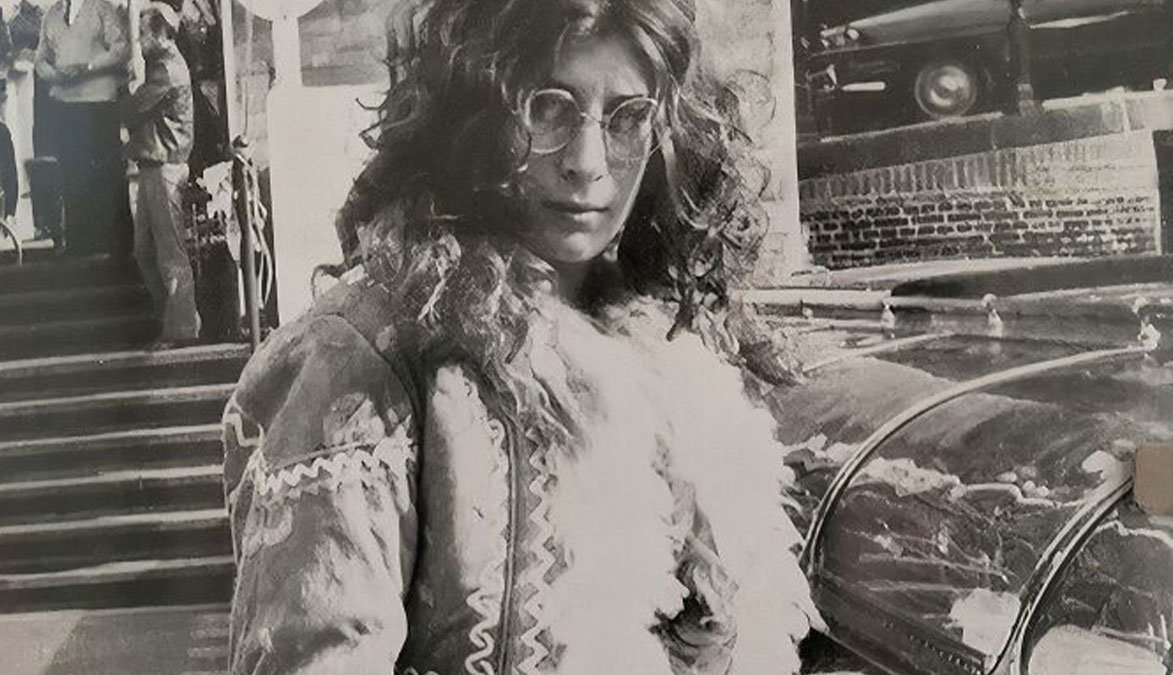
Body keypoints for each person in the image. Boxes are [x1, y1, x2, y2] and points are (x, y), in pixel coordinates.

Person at [222, 0, 822, 673]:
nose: (587, 161)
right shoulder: (360, 362)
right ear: (475, 118)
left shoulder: (674, 347)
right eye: (548, 108)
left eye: (627, 118)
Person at [124, 1, 198, 349]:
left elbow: (133, 108)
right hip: (155, 164)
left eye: (142, 35)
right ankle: (169, 319)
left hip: (164, 166)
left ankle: (180, 329)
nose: (139, 41)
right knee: (144, 250)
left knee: (169, 252)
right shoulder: (164, 64)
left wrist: (126, 86)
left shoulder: (166, 69)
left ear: (162, 35)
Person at [34, 0, 130, 256]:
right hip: (66, 105)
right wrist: (52, 74)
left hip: (99, 102)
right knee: (71, 173)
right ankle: (79, 244)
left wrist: (89, 67)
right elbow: (40, 58)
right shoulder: (52, 15)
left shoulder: (101, 8)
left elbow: (120, 48)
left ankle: (117, 245)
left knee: (107, 171)